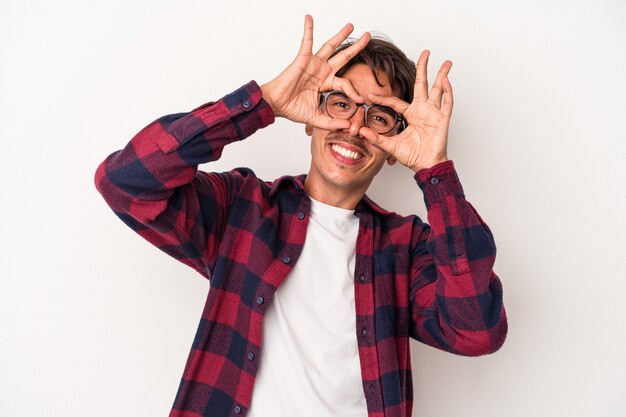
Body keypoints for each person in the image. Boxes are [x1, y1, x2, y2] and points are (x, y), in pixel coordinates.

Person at [95, 15, 507, 417]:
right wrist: (264, 104)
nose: (354, 128)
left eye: (378, 118)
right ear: (311, 118)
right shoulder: (242, 209)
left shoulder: (407, 248)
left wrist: (434, 172)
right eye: (341, 104)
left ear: (394, 145)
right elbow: (124, 181)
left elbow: (476, 331)